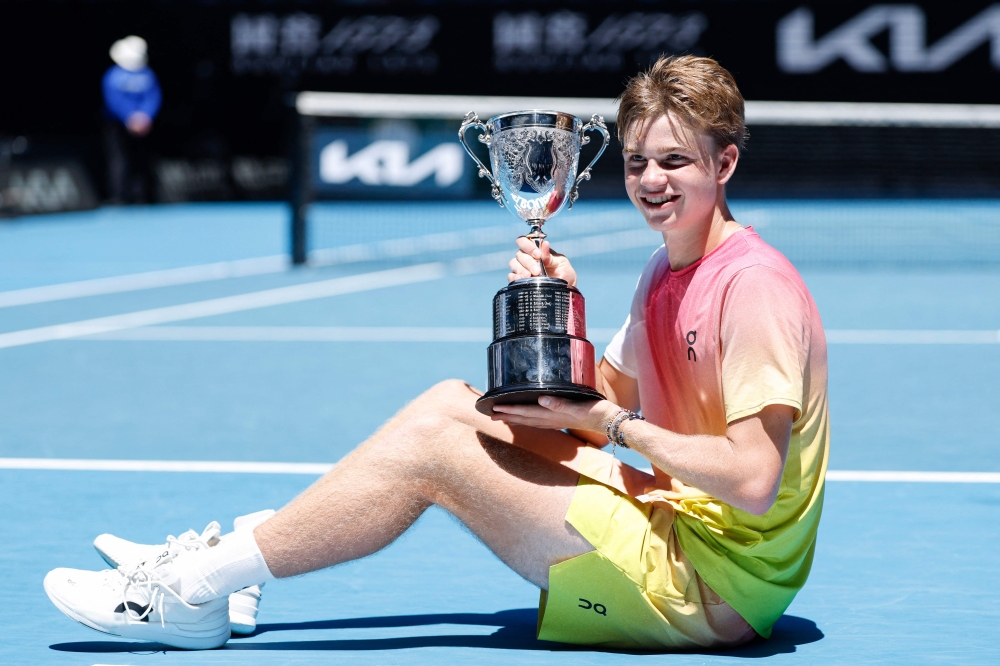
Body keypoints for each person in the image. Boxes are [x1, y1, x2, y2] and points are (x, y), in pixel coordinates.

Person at [44, 55, 829, 651]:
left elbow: (753, 480)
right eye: (636, 162)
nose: (651, 181)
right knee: (453, 403)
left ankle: (192, 592)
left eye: (675, 162)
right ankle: (251, 553)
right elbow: (588, 406)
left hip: (710, 587)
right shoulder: (667, 269)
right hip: (675, 519)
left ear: (724, 164)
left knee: (432, 452)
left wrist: (614, 423)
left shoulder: (749, 287)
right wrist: (562, 308)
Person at [102, 36, 161, 204]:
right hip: (118, 126)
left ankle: (143, 197)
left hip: (143, 125)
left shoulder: (147, 74)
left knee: (144, 162)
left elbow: (153, 97)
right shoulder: (114, 75)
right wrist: (129, 117)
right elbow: (113, 100)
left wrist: (144, 116)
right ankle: (119, 197)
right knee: (119, 161)